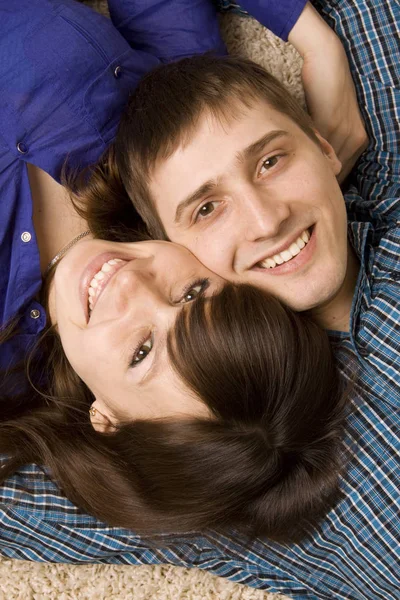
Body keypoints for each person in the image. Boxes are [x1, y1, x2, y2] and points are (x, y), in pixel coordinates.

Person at [0, 2, 394, 600]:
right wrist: (315, 38)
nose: (132, 288)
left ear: (104, 418)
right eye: (192, 293)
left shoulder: (194, 480)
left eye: (140, 351)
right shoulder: (167, 139)